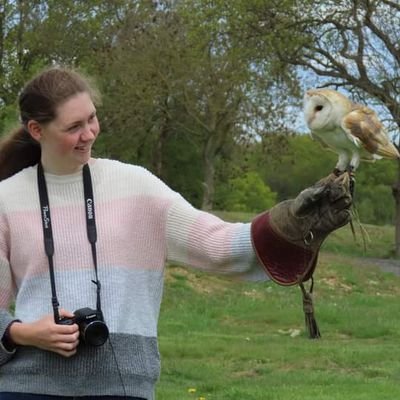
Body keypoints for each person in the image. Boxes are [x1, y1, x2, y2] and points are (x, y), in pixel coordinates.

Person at [0, 67, 352, 399]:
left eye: (92, 118)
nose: (89, 133)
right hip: (26, 386)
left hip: (122, 387)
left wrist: (287, 223)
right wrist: (23, 332)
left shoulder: (135, 185)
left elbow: (217, 244)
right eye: (74, 126)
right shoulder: (6, 199)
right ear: (36, 130)